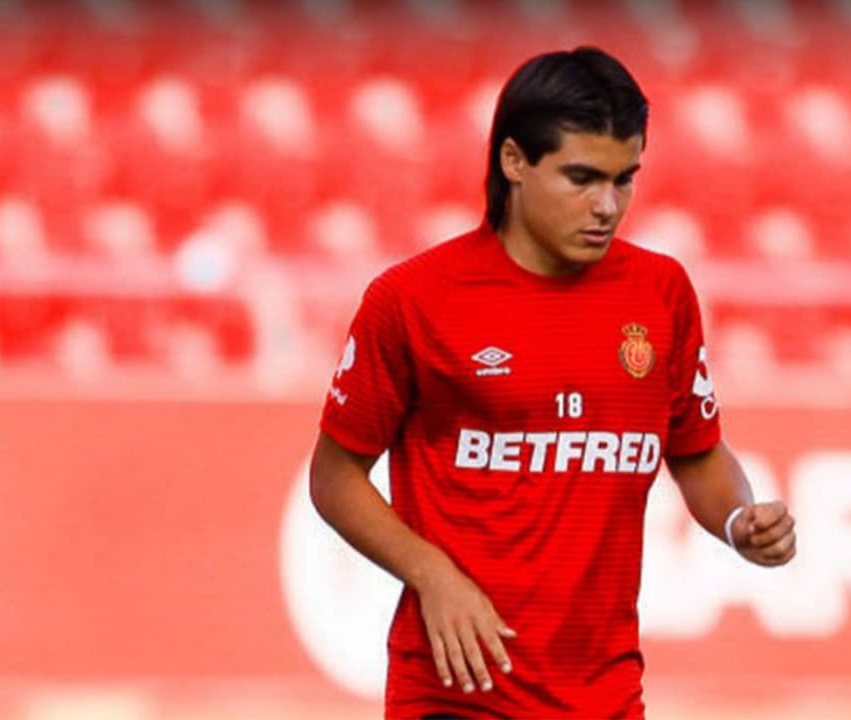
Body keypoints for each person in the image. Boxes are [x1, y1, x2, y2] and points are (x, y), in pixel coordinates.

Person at [310, 46, 797, 719]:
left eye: (625, 179)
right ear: (515, 161)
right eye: (581, 178)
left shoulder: (661, 292)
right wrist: (432, 574)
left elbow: (696, 451)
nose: (607, 205)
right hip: (457, 693)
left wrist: (740, 520)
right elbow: (334, 477)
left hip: (606, 694)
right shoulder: (414, 299)